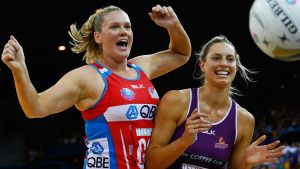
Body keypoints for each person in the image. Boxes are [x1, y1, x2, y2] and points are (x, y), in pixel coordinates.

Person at [1, 4, 191, 169]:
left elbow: (181, 53)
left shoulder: (142, 67)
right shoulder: (88, 77)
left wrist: (173, 25)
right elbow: (35, 108)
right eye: (115, 27)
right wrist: (20, 70)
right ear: (98, 37)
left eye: (127, 26)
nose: (124, 31)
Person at [145, 35, 285, 169]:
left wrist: (246, 164)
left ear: (236, 67)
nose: (224, 64)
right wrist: (184, 141)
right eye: (216, 58)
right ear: (202, 65)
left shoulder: (244, 120)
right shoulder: (176, 100)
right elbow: (150, 164)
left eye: (230, 59)